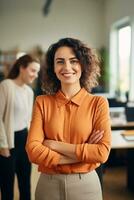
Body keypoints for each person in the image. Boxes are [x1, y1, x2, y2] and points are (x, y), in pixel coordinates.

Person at [26, 38, 111, 200]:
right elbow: (33, 151)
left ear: (83, 65)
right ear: (53, 67)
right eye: (60, 62)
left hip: (86, 184)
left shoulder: (98, 103)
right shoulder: (42, 102)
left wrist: (53, 144)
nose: (67, 67)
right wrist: (83, 153)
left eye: (74, 61)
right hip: (48, 186)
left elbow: (101, 153)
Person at [0, 54, 40, 200]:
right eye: (32, 70)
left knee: (25, 184)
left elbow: (28, 120)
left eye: (37, 72)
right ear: (22, 68)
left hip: (24, 141)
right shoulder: (6, 86)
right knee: (7, 186)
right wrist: (3, 146)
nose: (35, 75)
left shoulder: (29, 92)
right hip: (8, 141)